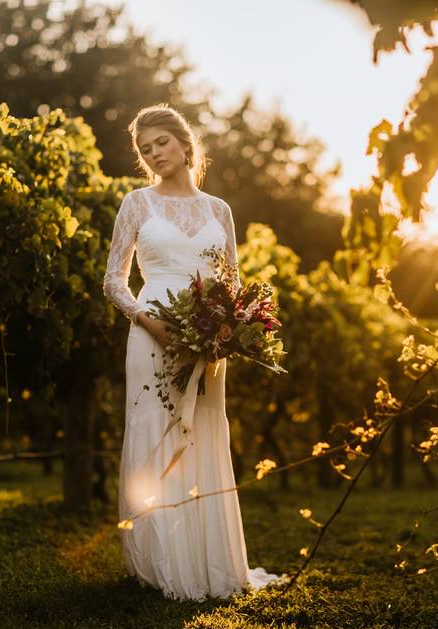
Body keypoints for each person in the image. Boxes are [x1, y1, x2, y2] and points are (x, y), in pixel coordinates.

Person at [102, 103, 288, 601]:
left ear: (185, 143)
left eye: (161, 143)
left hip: (207, 338)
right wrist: (148, 321)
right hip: (151, 329)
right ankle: (159, 565)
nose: (154, 154)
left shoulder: (218, 210)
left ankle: (209, 563)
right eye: (145, 150)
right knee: (154, 430)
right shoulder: (137, 203)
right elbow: (113, 280)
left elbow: (232, 282)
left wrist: (226, 330)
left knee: (203, 433)